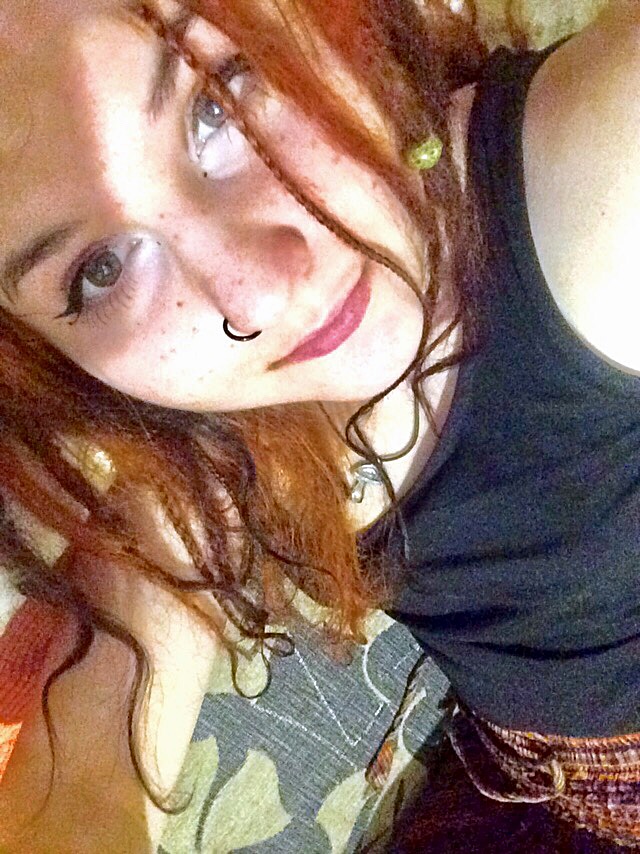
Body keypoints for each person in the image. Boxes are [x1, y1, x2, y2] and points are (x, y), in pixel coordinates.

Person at [0, 0, 637, 850]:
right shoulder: (214, 442)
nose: (257, 297)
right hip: (520, 788)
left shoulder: (600, 170)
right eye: (99, 270)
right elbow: (83, 779)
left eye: (219, 99)